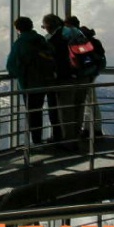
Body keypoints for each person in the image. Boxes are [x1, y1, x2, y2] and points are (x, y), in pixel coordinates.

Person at [6, 16, 54, 145]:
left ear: (18, 29)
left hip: (28, 83)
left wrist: (18, 73)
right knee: (38, 110)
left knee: (32, 112)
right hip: (44, 81)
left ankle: (36, 141)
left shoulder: (20, 43)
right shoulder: (41, 39)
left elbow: (11, 65)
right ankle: (40, 139)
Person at [42, 14, 87, 149]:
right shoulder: (76, 33)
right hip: (82, 77)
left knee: (66, 111)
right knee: (78, 108)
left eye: (44, 26)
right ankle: (76, 137)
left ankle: (68, 141)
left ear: (49, 25)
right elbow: (86, 52)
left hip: (65, 78)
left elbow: (54, 60)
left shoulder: (54, 39)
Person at [64, 16, 106, 137]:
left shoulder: (75, 38)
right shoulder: (89, 39)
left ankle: (87, 128)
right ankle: (94, 128)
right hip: (91, 73)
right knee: (90, 100)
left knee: (83, 102)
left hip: (80, 75)